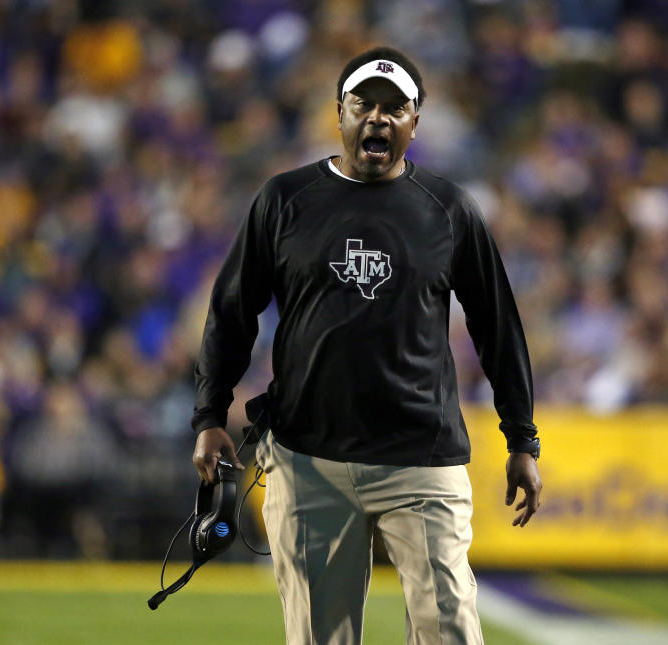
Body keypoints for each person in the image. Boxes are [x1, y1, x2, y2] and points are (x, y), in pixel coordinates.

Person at [191, 46, 542, 645]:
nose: (378, 117)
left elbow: (498, 327)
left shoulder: (450, 210)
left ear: (414, 122)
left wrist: (522, 438)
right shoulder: (283, 200)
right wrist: (207, 414)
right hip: (308, 459)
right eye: (364, 104)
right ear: (340, 113)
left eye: (394, 107)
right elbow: (231, 313)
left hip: (422, 456)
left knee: (451, 632)